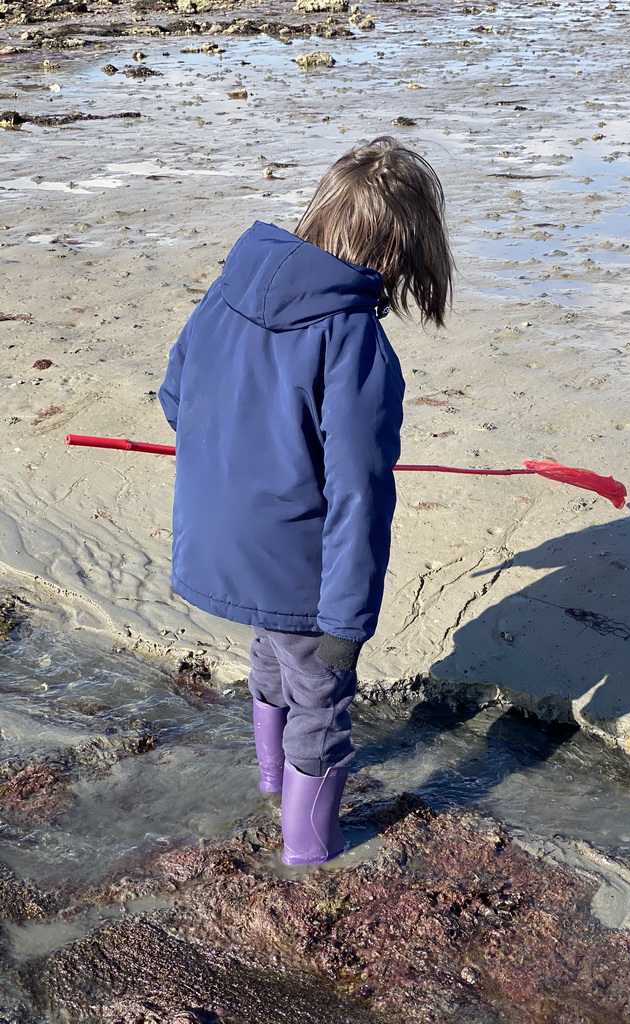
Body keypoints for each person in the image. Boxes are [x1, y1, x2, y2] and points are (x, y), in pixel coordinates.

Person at [158, 136, 453, 865]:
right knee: (320, 691)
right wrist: (347, 625)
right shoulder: (354, 342)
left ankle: (269, 783)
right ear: (404, 249)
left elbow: (175, 396)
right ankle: (308, 851)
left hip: (213, 538)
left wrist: (251, 449)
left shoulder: (231, 283)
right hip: (294, 559)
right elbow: (358, 495)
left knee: (270, 648)